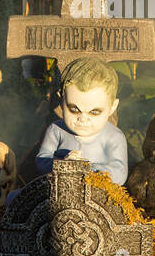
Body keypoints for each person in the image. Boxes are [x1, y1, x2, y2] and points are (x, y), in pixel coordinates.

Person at [35, 57, 129, 185]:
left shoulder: (114, 136)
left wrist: (86, 168)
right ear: (61, 101)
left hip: (100, 192)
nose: (83, 119)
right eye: (74, 109)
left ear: (112, 107)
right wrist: (63, 164)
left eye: (94, 112)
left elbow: (120, 173)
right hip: (58, 188)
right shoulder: (56, 130)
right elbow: (41, 161)